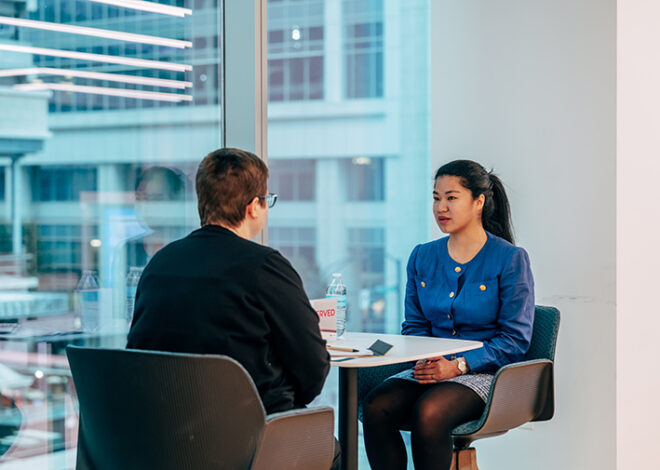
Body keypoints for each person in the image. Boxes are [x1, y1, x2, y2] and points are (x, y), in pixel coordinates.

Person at [127, 147, 331, 417]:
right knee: (328, 446)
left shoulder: (159, 264)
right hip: (249, 439)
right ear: (253, 207)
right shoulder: (266, 267)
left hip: (169, 440)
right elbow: (313, 373)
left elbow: (138, 359)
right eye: (266, 200)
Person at [362, 160, 535, 470]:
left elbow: (515, 340)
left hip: (483, 373)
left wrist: (458, 366)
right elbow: (414, 326)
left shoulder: (510, 259)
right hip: (432, 368)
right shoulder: (422, 256)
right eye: (436, 197)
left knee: (430, 411)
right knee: (377, 406)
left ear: (479, 202)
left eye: (451, 197)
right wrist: (424, 360)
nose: (441, 207)